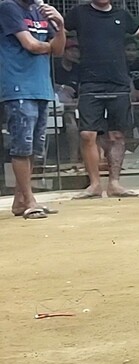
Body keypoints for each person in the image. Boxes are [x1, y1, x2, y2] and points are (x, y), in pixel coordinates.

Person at [65, 0, 139, 199]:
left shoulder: (122, 15)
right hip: (89, 82)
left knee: (117, 135)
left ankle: (114, 183)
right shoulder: (79, 13)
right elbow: (57, 28)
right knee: (87, 134)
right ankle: (95, 184)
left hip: (118, 83)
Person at [0, 0, 66, 218]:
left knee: (35, 149)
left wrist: (60, 24)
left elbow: (59, 50)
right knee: (22, 147)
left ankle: (21, 201)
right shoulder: (8, 7)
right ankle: (29, 200)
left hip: (41, 87)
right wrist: (48, 46)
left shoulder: (41, 11)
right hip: (18, 85)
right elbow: (31, 45)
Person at [53, 38, 81, 163]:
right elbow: (48, 83)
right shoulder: (54, 67)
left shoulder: (79, 69)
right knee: (72, 126)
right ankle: (73, 160)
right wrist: (62, 87)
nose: (75, 54)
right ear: (63, 52)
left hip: (77, 105)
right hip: (58, 107)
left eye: (77, 51)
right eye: (71, 50)